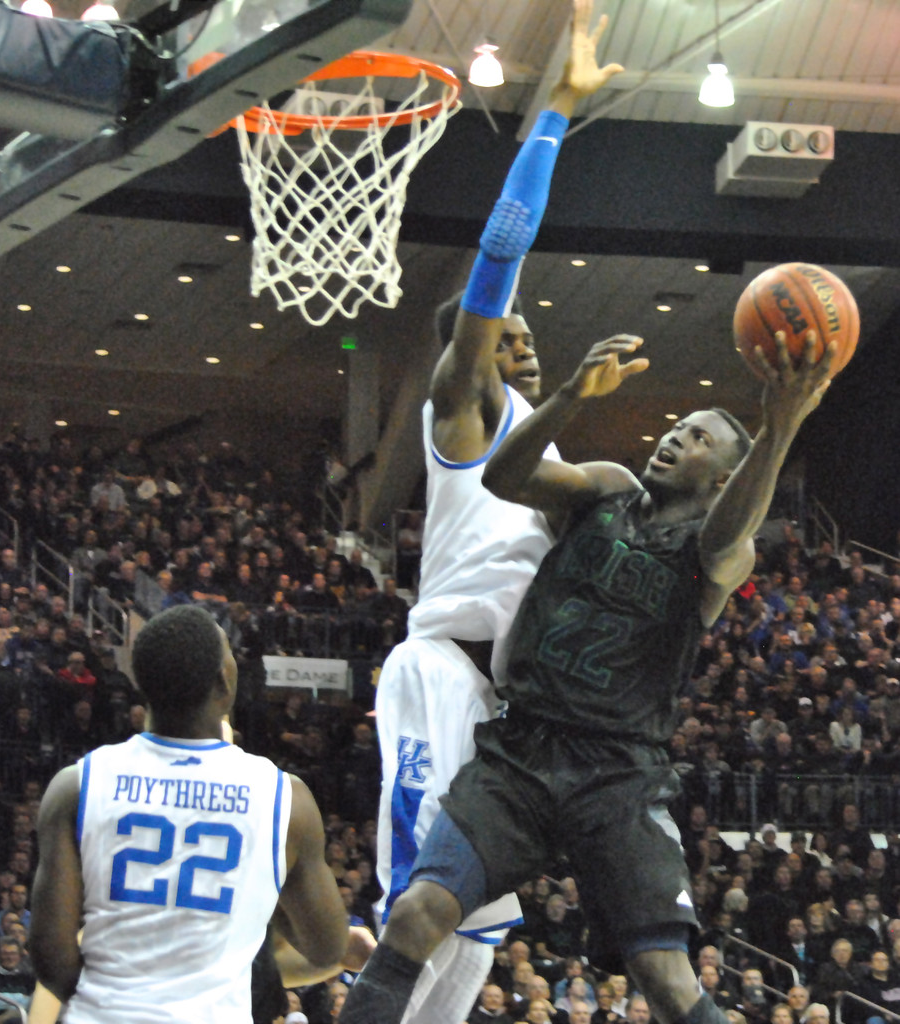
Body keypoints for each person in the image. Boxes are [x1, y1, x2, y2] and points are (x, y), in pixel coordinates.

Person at [339, 142, 835, 1024]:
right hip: (520, 748)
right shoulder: (605, 486)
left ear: (724, 474)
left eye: (697, 439)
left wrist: (779, 425)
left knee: (668, 983)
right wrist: (566, 393)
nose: (675, 438)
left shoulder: (722, 548)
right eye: (675, 426)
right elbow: (503, 478)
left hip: (619, 771)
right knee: (416, 913)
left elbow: (727, 535)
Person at [371, 4, 623, 1024]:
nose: (523, 337)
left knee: (474, 940)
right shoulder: (462, 409)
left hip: (507, 702)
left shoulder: (539, 437)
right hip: (440, 671)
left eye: (521, 333)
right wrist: (554, 114)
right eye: (505, 332)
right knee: (416, 917)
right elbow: (498, 255)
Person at [29, 603, 348, 1023]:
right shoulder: (286, 800)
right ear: (224, 681)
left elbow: (51, 959)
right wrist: (262, 888)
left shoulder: (75, 786)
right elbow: (327, 949)